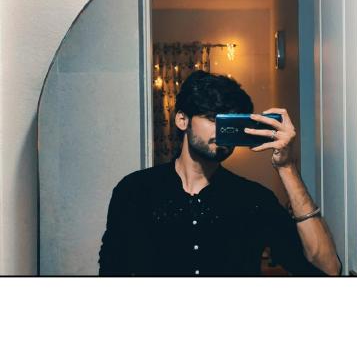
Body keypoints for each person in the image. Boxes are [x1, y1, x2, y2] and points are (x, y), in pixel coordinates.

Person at [98, 70, 342, 276]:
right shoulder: (135, 191)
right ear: (182, 120)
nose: (223, 132)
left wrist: (286, 167)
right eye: (213, 118)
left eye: (231, 123)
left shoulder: (254, 200)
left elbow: (328, 270)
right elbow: (111, 270)